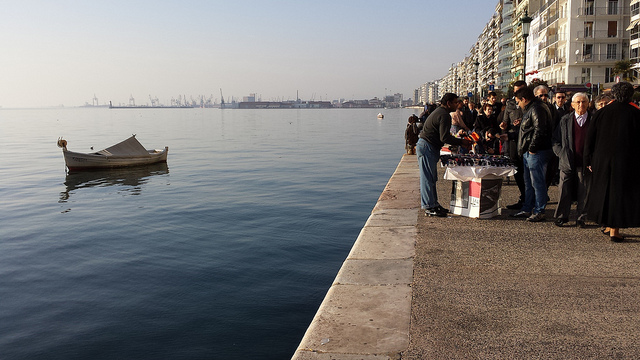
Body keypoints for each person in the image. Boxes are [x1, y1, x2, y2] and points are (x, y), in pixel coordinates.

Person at [584, 82, 640, 242]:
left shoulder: (602, 113)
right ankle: (614, 229)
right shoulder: (635, 113)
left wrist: (588, 158)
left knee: (603, 192)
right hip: (627, 161)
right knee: (619, 194)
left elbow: (590, 138)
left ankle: (607, 224)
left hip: (601, 160)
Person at [417, 93, 472, 217]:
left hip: (428, 146)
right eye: (455, 102)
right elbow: (444, 137)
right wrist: (461, 142)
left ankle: (434, 204)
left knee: (432, 177)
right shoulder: (444, 115)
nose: (457, 104)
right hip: (427, 146)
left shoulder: (440, 112)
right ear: (448, 103)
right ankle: (429, 207)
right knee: (427, 178)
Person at [511, 86, 553, 222]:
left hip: (536, 152)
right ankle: (527, 208)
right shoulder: (532, 108)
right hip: (530, 152)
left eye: (518, 101)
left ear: (524, 99)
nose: (518, 104)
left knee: (537, 182)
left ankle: (539, 210)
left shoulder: (537, 108)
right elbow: (529, 129)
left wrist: (532, 148)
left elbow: (540, 129)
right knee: (529, 183)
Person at [552, 92, 592, 227]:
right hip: (567, 160)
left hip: (586, 162)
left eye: (584, 102)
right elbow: (556, 140)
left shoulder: (593, 120)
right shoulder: (565, 120)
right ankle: (561, 216)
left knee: (584, 191)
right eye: (578, 102)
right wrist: (561, 154)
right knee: (564, 189)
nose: (581, 105)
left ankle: (582, 217)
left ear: (588, 104)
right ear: (573, 105)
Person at [500, 80, 527, 209]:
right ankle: (523, 196)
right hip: (512, 140)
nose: (518, 93)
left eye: (520, 90)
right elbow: (505, 120)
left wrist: (523, 121)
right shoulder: (510, 103)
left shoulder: (529, 103)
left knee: (527, 171)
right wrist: (503, 126)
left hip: (525, 140)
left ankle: (528, 198)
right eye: (516, 91)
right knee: (516, 170)